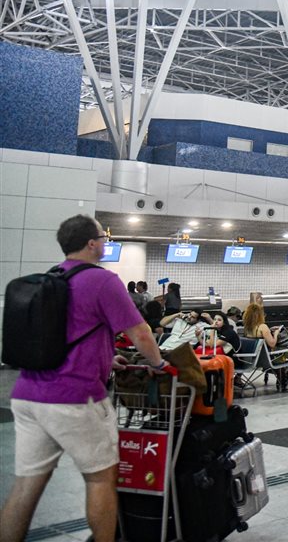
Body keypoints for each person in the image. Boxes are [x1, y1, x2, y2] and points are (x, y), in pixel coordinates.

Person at [0, 215, 168, 542]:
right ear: (92, 243)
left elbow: (65, 335)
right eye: (103, 238)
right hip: (75, 398)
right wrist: (159, 364)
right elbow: (141, 334)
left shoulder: (52, 277)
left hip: (27, 395)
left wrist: (106, 358)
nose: (105, 243)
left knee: (26, 484)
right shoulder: (102, 281)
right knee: (100, 480)